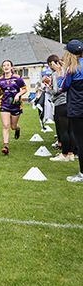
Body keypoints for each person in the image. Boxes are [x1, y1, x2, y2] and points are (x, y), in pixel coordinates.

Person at [53, 40, 83, 182]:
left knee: (81, 141)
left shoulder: (73, 68)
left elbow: (62, 87)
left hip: (77, 110)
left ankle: (82, 174)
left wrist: (59, 72)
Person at [0, 60, 27, 155]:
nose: (6, 67)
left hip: (16, 105)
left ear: (12, 67)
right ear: (2, 68)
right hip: (4, 104)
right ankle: (6, 146)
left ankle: (17, 129)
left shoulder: (17, 78)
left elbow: (24, 89)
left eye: (8, 65)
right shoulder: (0, 80)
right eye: (4, 65)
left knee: (12, 126)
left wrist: (18, 95)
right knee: (5, 125)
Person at [46, 54, 75, 162]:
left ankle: (64, 155)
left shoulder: (55, 74)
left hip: (60, 104)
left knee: (63, 131)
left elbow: (57, 90)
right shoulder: (67, 71)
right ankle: (71, 154)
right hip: (69, 103)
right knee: (69, 130)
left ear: (51, 63)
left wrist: (47, 89)